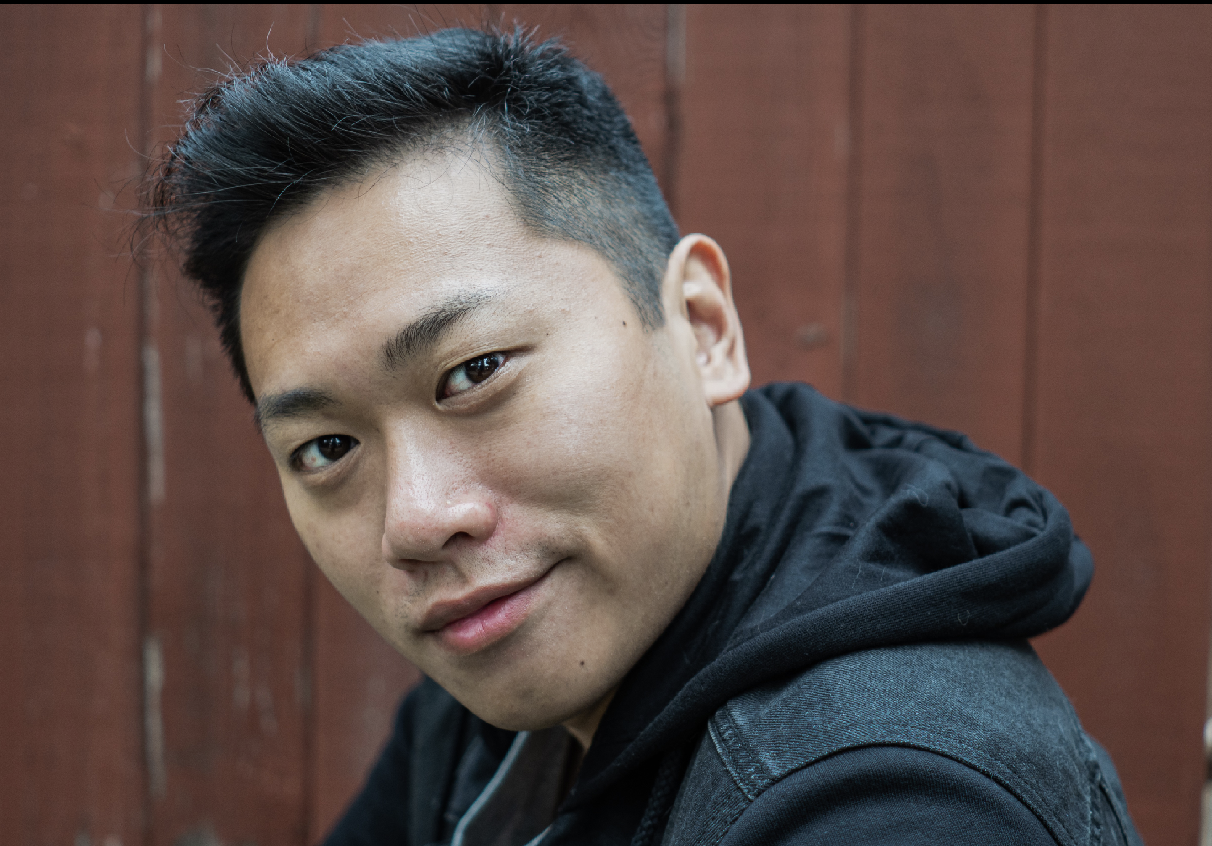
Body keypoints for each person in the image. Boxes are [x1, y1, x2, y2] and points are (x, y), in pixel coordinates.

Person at [145, 26, 1143, 846]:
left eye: (473, 374)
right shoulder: (514, 661)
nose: (414, 520)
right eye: (326, 449)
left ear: (703, 328)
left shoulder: (895, 802)